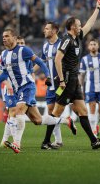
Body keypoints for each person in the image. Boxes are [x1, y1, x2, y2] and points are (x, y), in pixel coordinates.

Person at [0, 28, 76, 153]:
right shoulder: (4, 55)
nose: (4, 39)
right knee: (37, 120)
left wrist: (48, 76)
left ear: (14, 38)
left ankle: (17, 143)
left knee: (18, 110)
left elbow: (40, 62)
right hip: (18, 90)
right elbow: (5, 73)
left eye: (7, 36)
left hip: (27, 86)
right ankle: (66, 121)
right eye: (3, 37)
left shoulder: (23, 50)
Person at [42, 0, 100, 150]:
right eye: (78, 24)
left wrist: (97, 9)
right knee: (56, 112)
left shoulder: (77, 38)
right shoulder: (67, 40)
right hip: (66, 81)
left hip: (74, 81)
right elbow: (57, 60)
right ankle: (46, 141)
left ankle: (94, 141)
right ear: (72, 27)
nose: (81, 26)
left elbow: (89, 25)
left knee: (82, 110)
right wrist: (61, 80)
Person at [36, 21, 64, 149]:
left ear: (54, 31)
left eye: (47, 28)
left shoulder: (63, 44)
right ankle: (58, 140)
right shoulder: (45, 46)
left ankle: (57, 139)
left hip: (61, 86)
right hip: (50, 86)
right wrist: (30, 71)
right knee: (50, 112)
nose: (44, 30)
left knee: (55, 112)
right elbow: (41, 62)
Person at [79, 38, 100, 136]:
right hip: (90, 88)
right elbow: (81, 75)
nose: (93, 46)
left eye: (94, 44)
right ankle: (94, 131)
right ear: (88, 47)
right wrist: (80, 87)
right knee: (92, 107)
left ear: (98, 46)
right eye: (91, 44)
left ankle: (97, 124)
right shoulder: (84, 59)